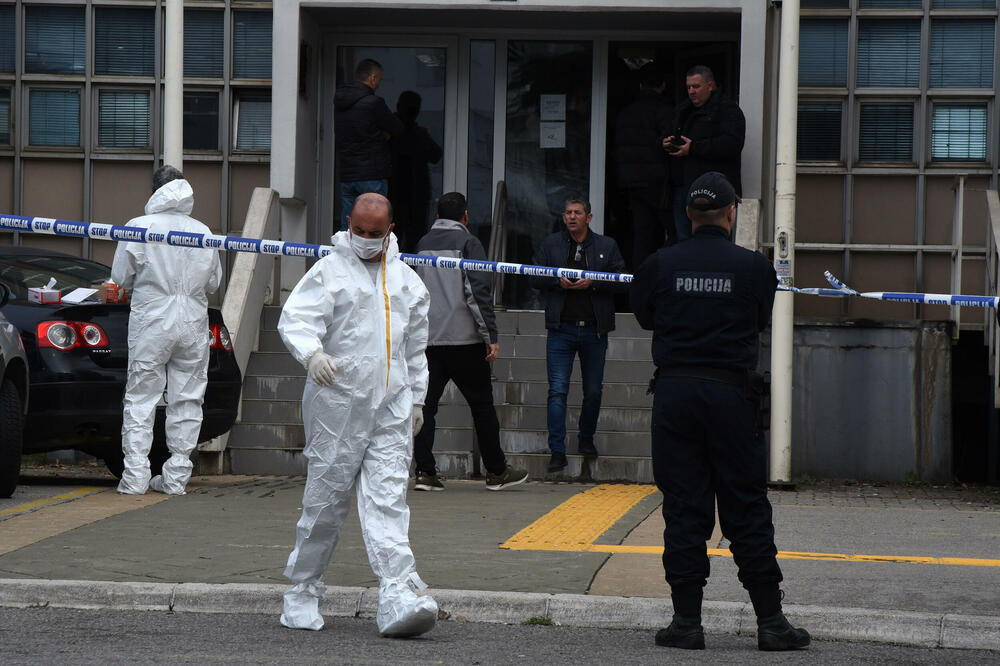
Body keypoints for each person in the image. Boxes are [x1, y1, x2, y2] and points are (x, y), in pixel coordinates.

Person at [630, 172, 810, 652]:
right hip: (732, 396)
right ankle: (771, 622)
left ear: (689, 214)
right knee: (746, 507)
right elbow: (759, 320)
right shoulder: (754, 268)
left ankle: (686, 622)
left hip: (676, 395)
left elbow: (645, 316)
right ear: (732, 213)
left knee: (683, 508)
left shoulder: (660, 264)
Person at [276, 192, 438, 637]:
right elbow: (296, 320)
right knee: (324, 503)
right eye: (360, 230)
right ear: (348, 223)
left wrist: (417, 400)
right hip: (337, 405)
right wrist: (312, 355)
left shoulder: (407, 283)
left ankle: (398, 594)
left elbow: (415, 350)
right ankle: (302, 590)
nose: (366, 239)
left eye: (375, 232)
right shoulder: (328, 272)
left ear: (390, 229)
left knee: (388, 500)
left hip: (390, 407)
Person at [112, 165, 222, 496]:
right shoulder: (203, 231)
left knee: (141, 396)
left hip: (152, 320)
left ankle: (135, 476)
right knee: (188, 398)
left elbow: (121, 278)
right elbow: (214, 282)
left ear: (153, 193)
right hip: (192, 322)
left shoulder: (139, 227)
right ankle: (176, 478)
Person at [412, 192, 528, 492]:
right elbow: (477, 292)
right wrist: (490, 336)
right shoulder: (469, 242)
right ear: (465, 216)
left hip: (429, 341)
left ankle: (424, 472)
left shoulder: (422, 244)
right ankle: (496, 472)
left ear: (438, 215)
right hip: (465, 341)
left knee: (425, 407)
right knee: (482, 407)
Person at [529, 195, 627, 473]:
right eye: (568, 213)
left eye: (577, 212)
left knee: (593, 391)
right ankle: (557, 451)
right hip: (561, 329)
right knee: (557, 391)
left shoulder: (607, 246)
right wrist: (556, 281)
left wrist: (593, 283)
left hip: (594, 330)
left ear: (589, 217)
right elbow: (533, 276)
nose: (572, 217)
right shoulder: (552, 244)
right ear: (563, 217)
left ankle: (586, 439)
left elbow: (622, 281)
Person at [664, 65, 746, 242]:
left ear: (710, 86)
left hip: (715, 189)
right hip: (684, 186)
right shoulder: (683, 110)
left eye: (696, 86)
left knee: (717, 240)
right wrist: (667, 143)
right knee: (685, 240)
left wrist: (694, 148)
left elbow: (732, 143)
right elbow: (670, 133)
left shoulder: (727, 110)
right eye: (688, 87)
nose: (691, 91)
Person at [614, 62, 675, 268]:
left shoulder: (626, 112)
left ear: (641, 85)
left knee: (642, 236)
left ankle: (640, 281)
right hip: (658, 183)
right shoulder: (665, 111)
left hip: (632, 183)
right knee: (673, 232)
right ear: (663, 85)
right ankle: (661, 275)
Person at [334, 59, 404, 231]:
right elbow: (397, 129)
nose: (379, 83)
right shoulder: (374, 103)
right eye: (379, 79)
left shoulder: (340, 104)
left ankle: (345, 249)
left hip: (348, 172)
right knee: (374, 222)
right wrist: (381, 136)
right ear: (373, 78)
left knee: (348, 223)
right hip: (372, 172)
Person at [389, 90, 443, 253]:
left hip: (407, 195)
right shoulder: (393, 130)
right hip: (404, 195)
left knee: (401, 239)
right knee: (401, 239)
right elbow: (435, 154)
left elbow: (436, 154)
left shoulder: (402, 131)